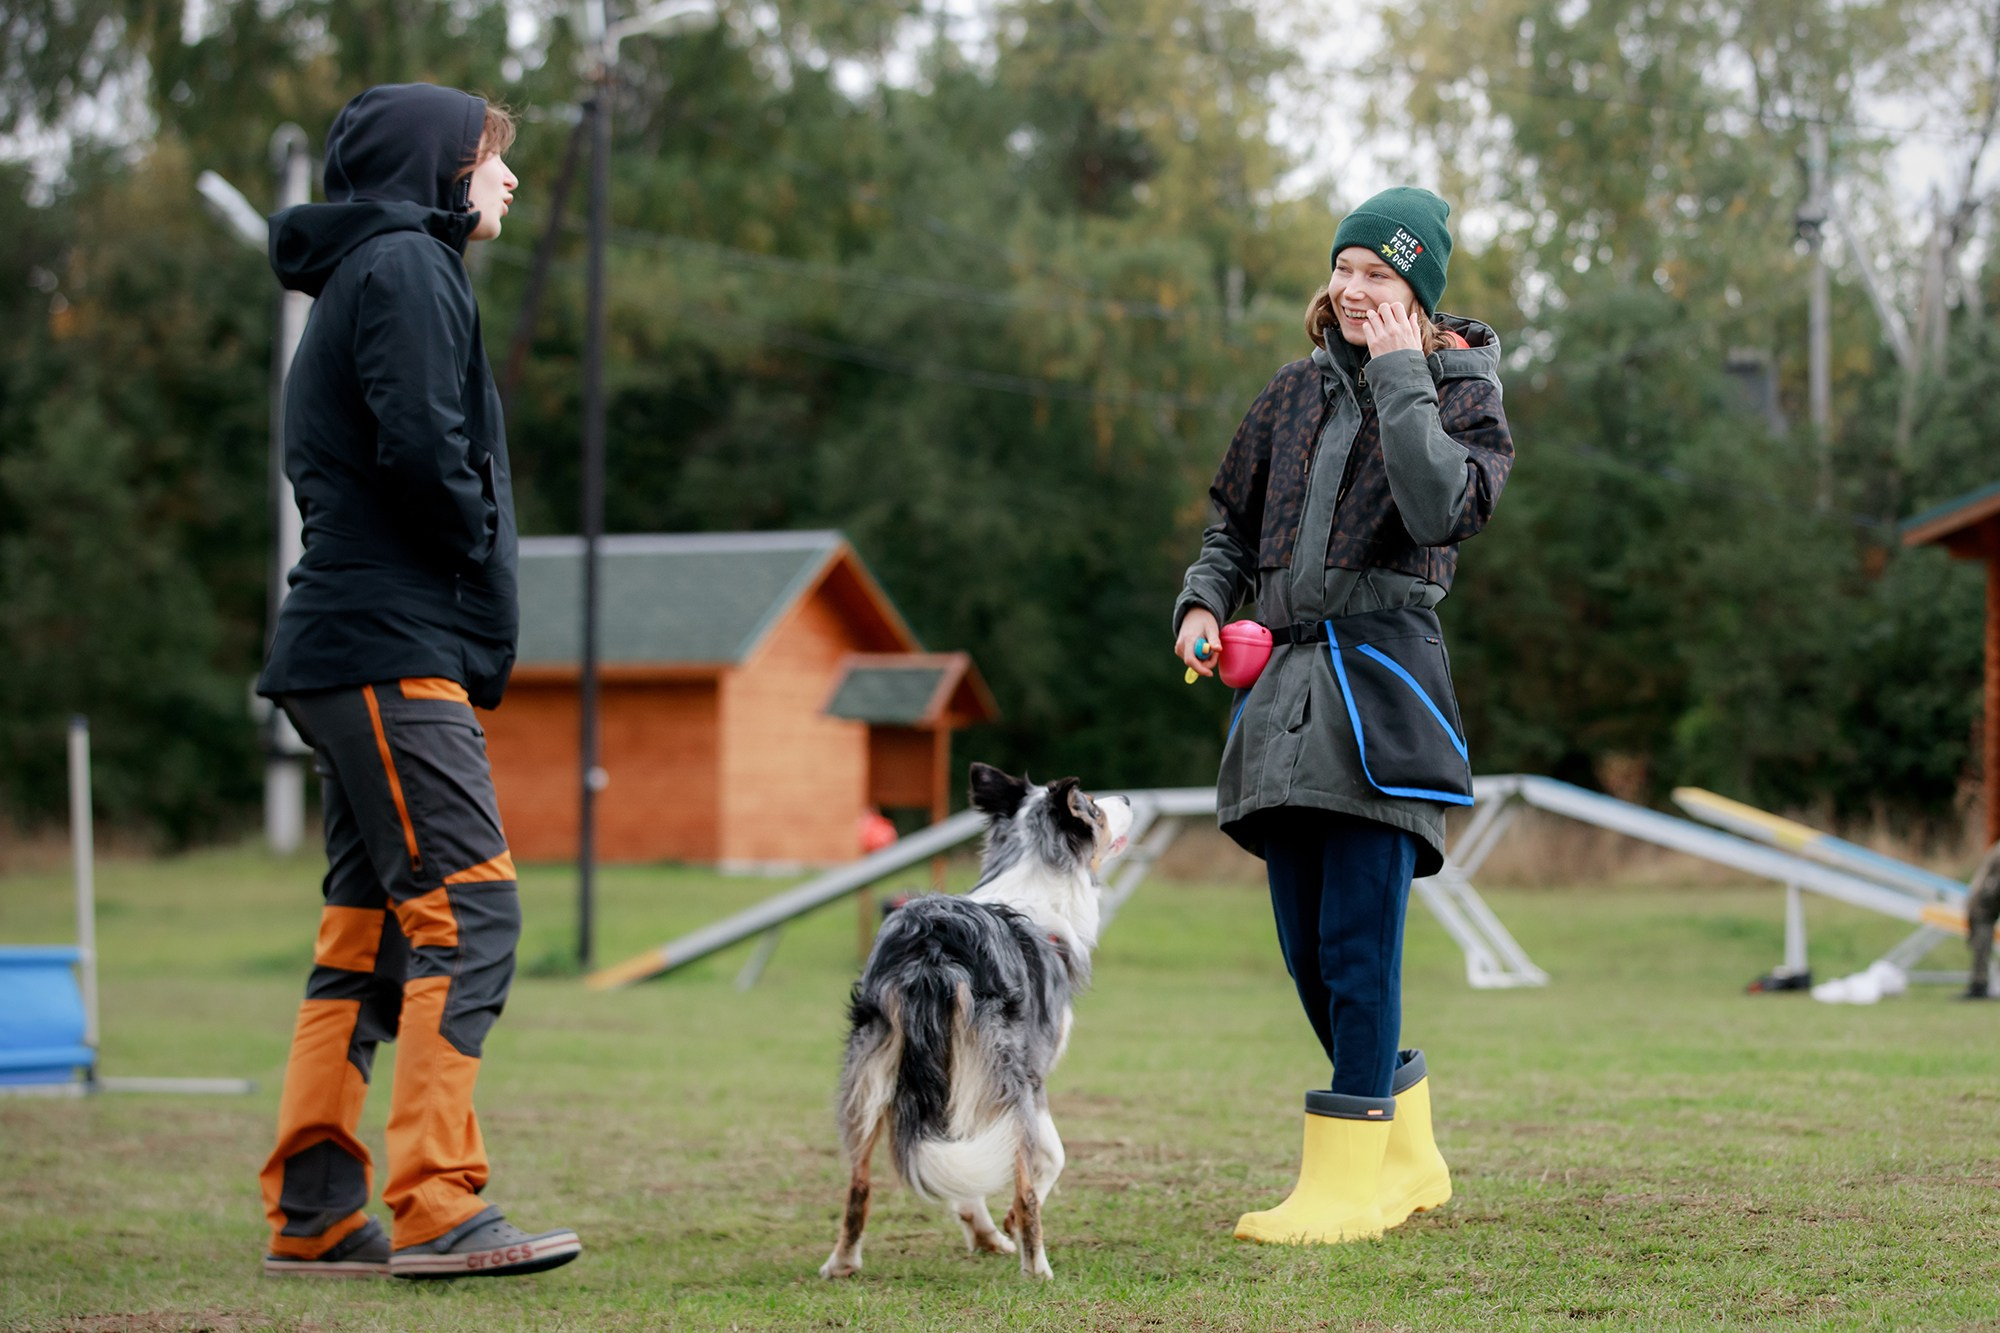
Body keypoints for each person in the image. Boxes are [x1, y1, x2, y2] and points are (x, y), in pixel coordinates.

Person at [255, 83, 579, 1281]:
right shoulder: (404, 267)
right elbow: (424, 450)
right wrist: (475, 541)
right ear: (440, 167)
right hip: (387, 646)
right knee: (472, 908)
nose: (501, 181)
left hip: (352, 646)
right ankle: (438, 1202)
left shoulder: (377, 269)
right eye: (491, 159)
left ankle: (317, 1206)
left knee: (369, 930)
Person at [1172, 187, 1514, 1245]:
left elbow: (1434, 506)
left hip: (1383, 687)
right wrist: (1199, 602)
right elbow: (1230, 520)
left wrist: (1403, 372)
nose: (1354, 290)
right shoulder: (1288, 394)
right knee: (1306, 956)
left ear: (1417, 294)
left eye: (1379, 274)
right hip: (1280, 695)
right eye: (1346, 268)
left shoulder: (1465, 396)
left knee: (1360, 952)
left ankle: (1346, 1186)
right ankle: (1406, 1155)